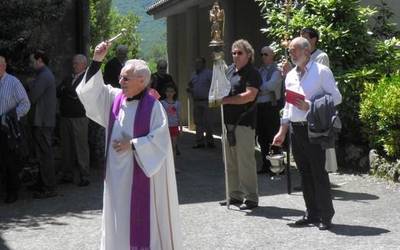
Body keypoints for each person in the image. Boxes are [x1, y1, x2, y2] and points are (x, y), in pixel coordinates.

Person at [76, 41, 182, 250]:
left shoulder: (153, 107)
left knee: (140, 220)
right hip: (116, 177)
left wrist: (133, 144)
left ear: (142, 81)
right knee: (118, 218)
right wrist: (97, 60)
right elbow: (90, 92)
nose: (120, 81)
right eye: (120, 77)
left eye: (126, 78)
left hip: (141, 172)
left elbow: (160, 140)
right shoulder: (115, 98)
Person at [272, 37, 342, 230]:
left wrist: (310, 105)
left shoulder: (321, 71)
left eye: (294, 50)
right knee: (304, 174)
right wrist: (282, 130)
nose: (291, 54)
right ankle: (311, 213)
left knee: (319, 173)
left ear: (307, 51)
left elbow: (336, 97)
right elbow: (287, 105)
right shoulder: (290, 75)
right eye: (290, 51)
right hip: (296, 129)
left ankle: (326, 216)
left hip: (315, 127)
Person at [219, 39, 261, 210]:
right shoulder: (228, 70)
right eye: (234, 52)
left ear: (249, 55)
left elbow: (250, 96)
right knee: (230, 161)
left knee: (245, 162)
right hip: (226, 123)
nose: (236, 56)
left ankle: (251, 197)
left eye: (240, 53)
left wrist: (226, 100)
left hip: (243, 123)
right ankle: (235, 194)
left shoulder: (253, 73)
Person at [300, 27, 338, 174]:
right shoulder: (300, 56)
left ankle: (323, 174)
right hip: (302, 105)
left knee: (321, 142)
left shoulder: (321, 56)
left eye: (305, 37)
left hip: (318, 104)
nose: (303, 40)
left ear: (314, 39)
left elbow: (319, 76)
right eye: (301, 37)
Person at [0, 55, 31, 203]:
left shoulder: (13, 82)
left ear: (4, 66)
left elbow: (25, 104)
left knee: (9, 160)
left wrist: (12, 116)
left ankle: (12, 192)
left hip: (7, 128)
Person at [28, 50, 58, 199]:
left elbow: (33, 96)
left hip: (43, 121)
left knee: (45, 155)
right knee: (43, 154)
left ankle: (49, 187)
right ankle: (42, 183)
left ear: (39, 60)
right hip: (43, 120)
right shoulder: (44, 75)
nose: (31, 64)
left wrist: (30, 83)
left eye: (32, 61)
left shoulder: (44, 76)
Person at [57, 54, 90, 187]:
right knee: (66, 147)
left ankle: (84, 175)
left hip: (79, 117)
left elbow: (76, 94)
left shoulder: (86, 78)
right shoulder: (68, 77)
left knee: (80, 146)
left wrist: (68, 90)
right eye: (73, 63)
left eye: (76, 63)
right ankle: (67, 174)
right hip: (65, 115)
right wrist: (68, 91)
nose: (74, 65)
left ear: (84, 64)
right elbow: (58, 92)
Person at [256, 46, 283, 175]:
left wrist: (259, 90)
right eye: (261, 54)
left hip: (271, 107)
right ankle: (266, 164)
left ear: (272, 55)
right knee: (262, 137)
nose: (263, 57)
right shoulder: (260, 70)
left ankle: (277, 166)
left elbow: (272, 85)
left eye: (266, 54)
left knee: (273, 136)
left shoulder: (277, 70)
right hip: (260, 107)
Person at [187, 57, 215, 149]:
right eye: (196, 63)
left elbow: (215, 86)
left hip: (206, 101)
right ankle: (199, 142)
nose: (197, 65)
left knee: (208, 122)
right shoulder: (193, 75)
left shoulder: (209, 73)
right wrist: (190, 90)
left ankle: (210, 141)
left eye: (199, 63)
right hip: (196, 102)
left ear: (204, 64)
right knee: (198, 123)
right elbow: (190, 84)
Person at [161, 85, 182, 172]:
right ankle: (164, 166)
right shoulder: (162, 103)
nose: (169, 93)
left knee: (173, 146)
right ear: (165, 92)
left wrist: (180, 127)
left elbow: (178, 115)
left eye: (171, 91)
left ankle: (172, 167)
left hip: (174, 126)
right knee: (165, 147)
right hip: (165, 127)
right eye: (168, 91)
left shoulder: (177, 103)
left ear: (174, 93)